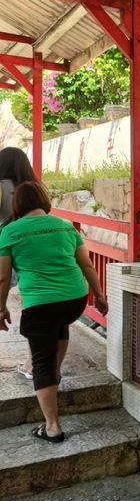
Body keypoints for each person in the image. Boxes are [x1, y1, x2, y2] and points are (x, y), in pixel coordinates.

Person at [0, 181, 108, 443]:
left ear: (17, 205)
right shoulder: (65, 225)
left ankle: (52, 427)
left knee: (41, 362)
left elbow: (3, 278)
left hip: (41, 303)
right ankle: (54, 373)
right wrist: (100, 296)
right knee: (59, 324)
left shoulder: (10, 232)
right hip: (75, 300)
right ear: (43, 200)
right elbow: (88, 266)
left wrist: (0, 308)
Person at [0, 146, 39, 379]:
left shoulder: (2, 188)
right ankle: (33, 363)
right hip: (31, 252)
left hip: (5, 250)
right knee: (33, 307)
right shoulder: (35, 189)